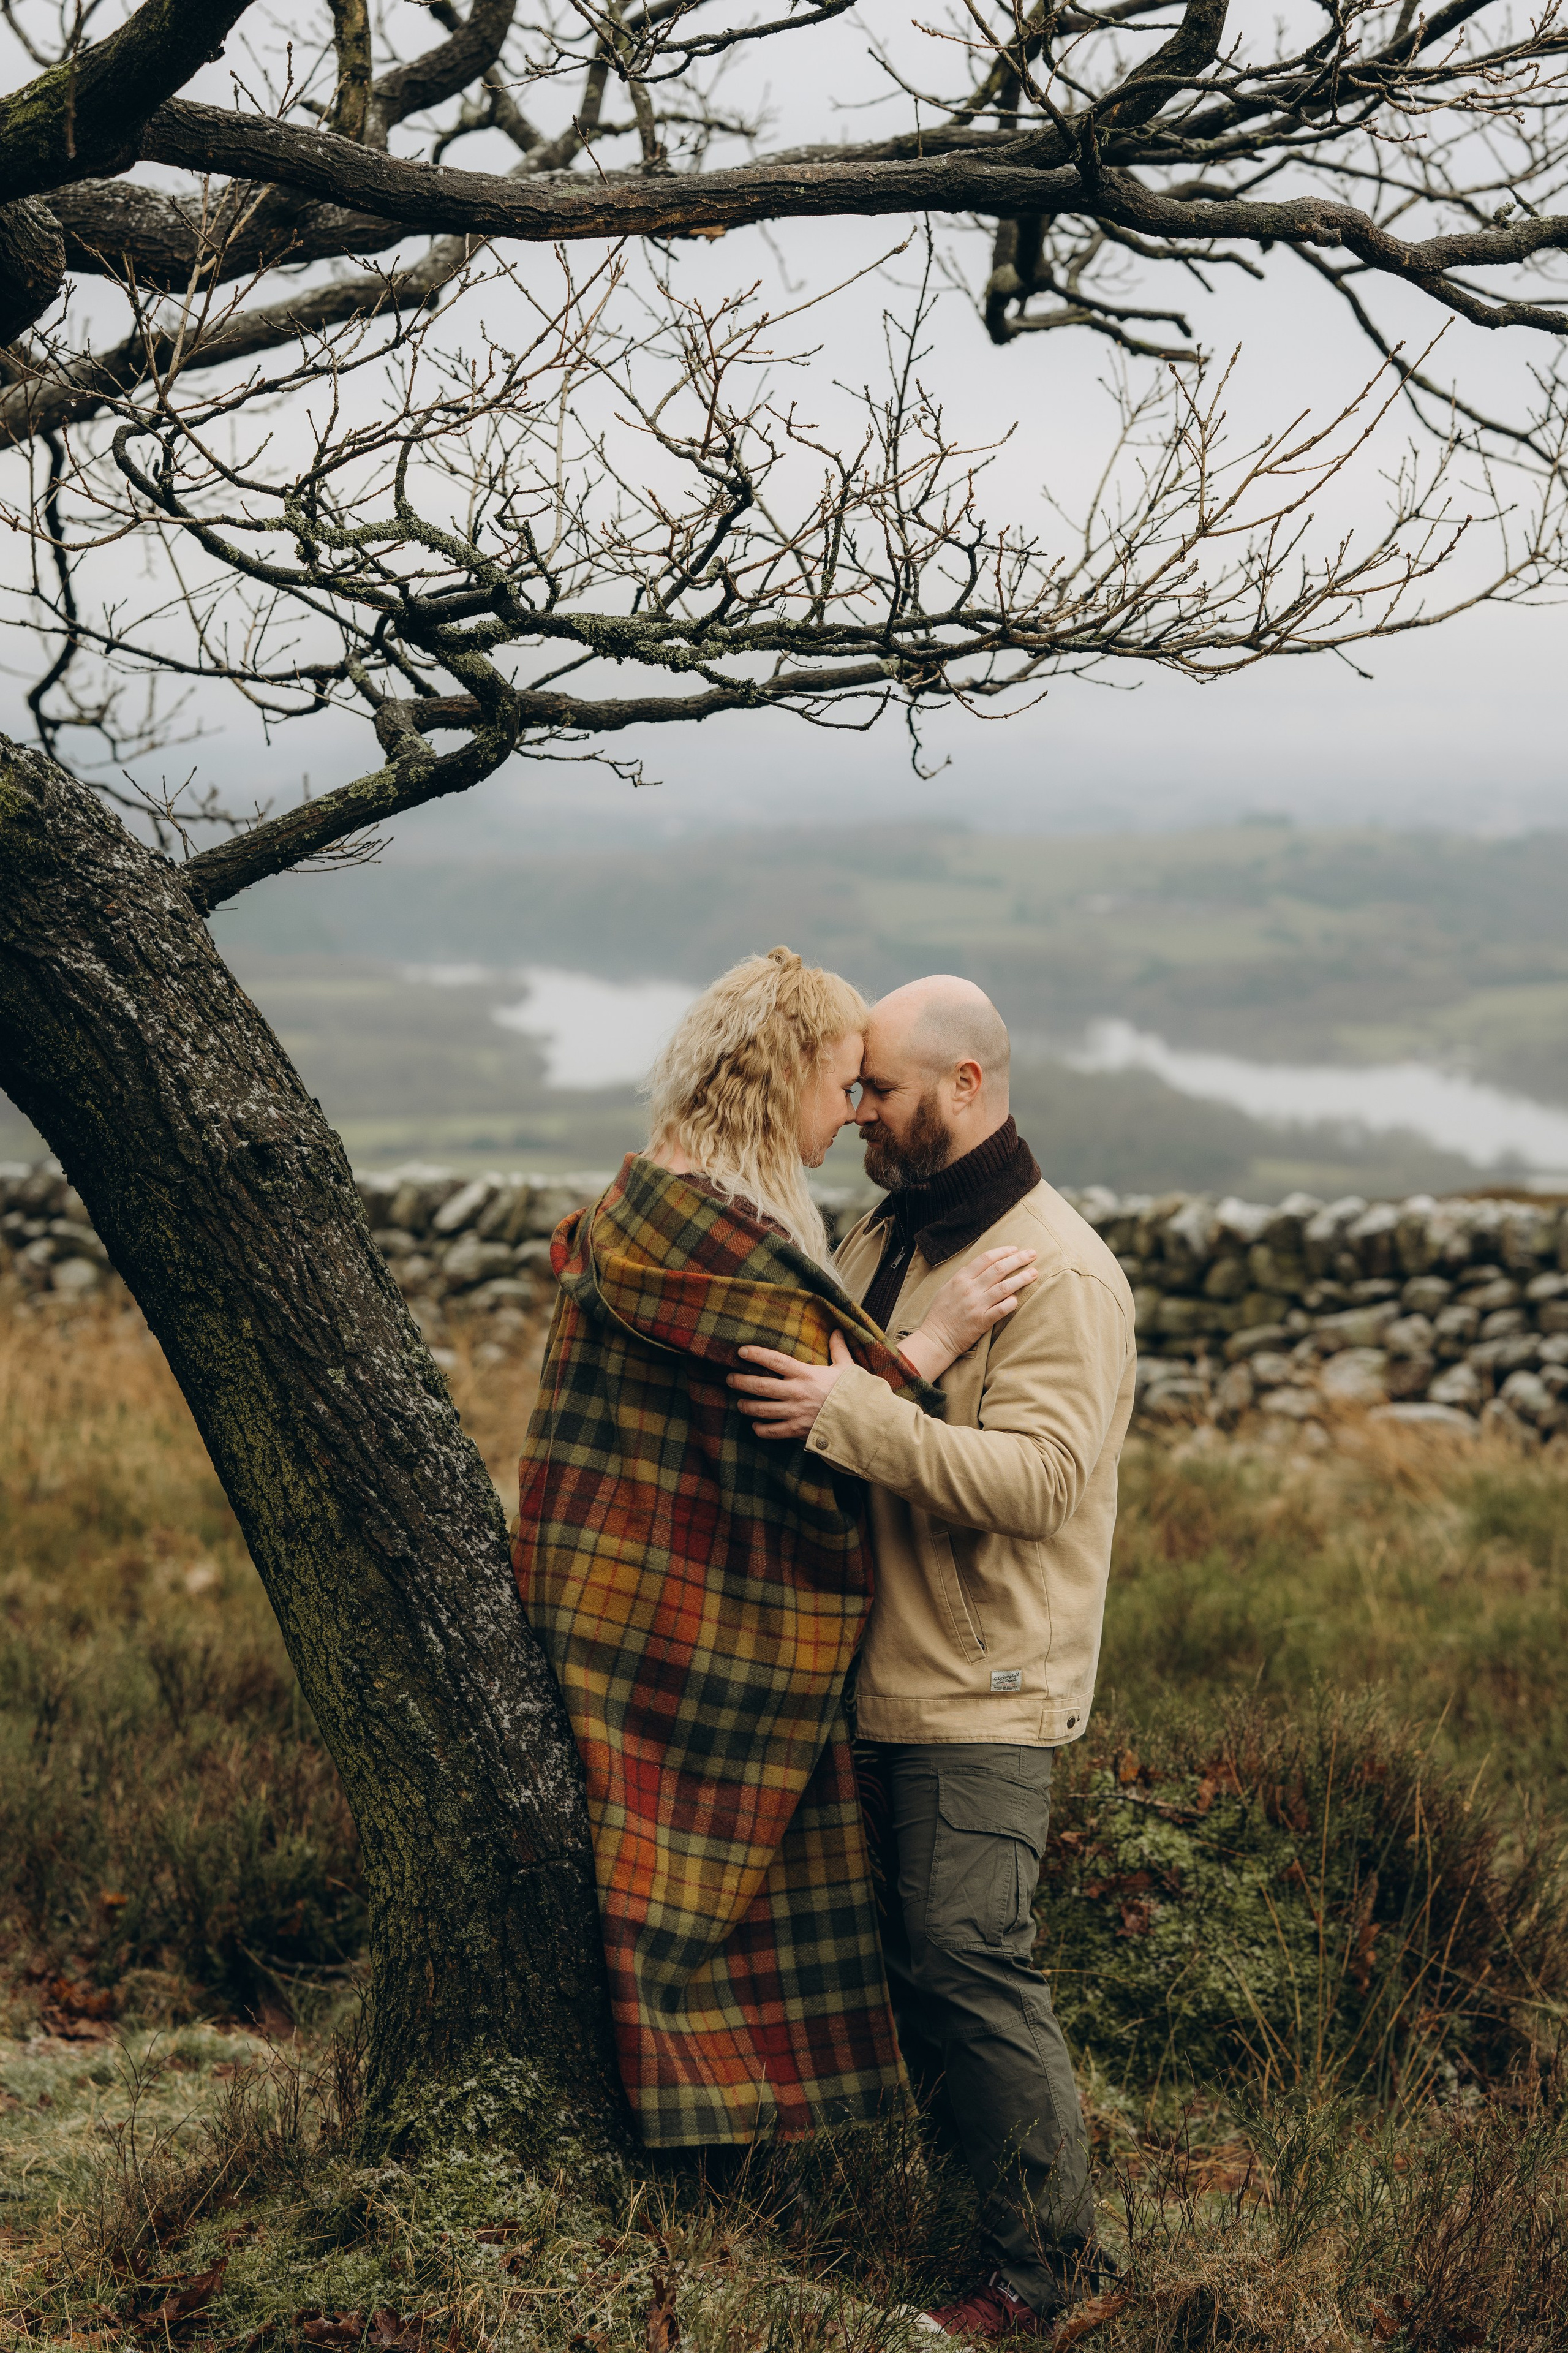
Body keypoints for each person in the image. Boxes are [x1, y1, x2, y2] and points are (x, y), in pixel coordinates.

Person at [513, 949, 1037, 2150]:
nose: (852, 1114)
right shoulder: (727, 1243)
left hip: (597, 1593)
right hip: (679, 1617)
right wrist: (940, 1337)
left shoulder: (642, 1197)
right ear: (789, 1070)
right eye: (844, 1085)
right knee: (701, 1882)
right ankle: (723, 2128)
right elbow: (813, 1412)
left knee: (645, 1874)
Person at [729, 974, 1137, 2340]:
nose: (856, 1116)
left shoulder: (1060, 1272)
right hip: (887, 1674)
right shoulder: (883, 1235)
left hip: (985, 1687)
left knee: (969, 1959)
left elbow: (1032, 1483)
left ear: (963, 1087)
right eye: (850, 1090)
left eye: (882, 1092)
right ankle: (973, 2236)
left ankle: (1047, 2280)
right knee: (910, 1967)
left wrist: (851, 1408)